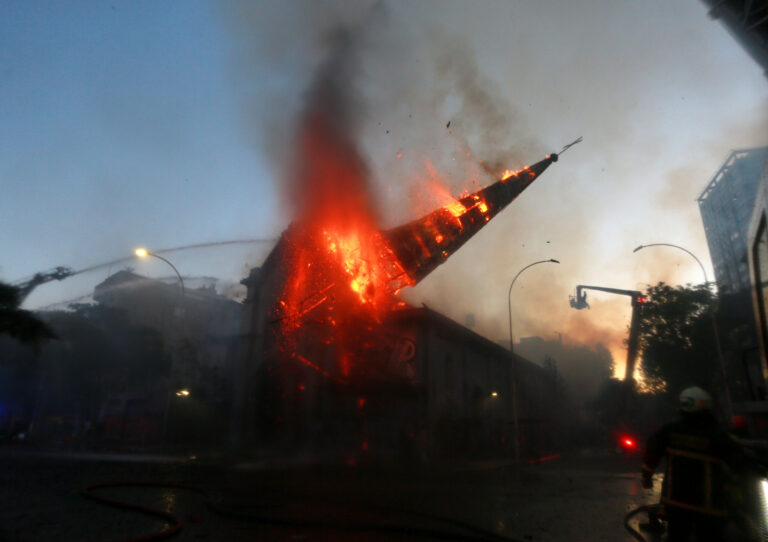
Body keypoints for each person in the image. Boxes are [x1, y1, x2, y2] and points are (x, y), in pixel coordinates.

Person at [641, 386, 747, 541]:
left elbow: (652, 452)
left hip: (675, 501)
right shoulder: (718, 434)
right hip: (708, 505)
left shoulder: (670, 430)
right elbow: (737, 463)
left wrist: (646, 475)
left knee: (677, 536)